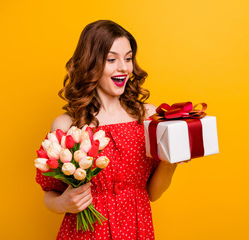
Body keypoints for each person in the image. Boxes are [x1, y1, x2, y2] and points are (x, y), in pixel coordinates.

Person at [35, 20, 183, 240]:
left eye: (128, 58)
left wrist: (171, 161)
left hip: (136, 229)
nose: (123, 67)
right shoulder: (67, 125)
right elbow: (50, 195)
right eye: (112, 59)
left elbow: (152, 193)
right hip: (87, 233)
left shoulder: (148, 117)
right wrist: (63, 203)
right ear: (91, 64)